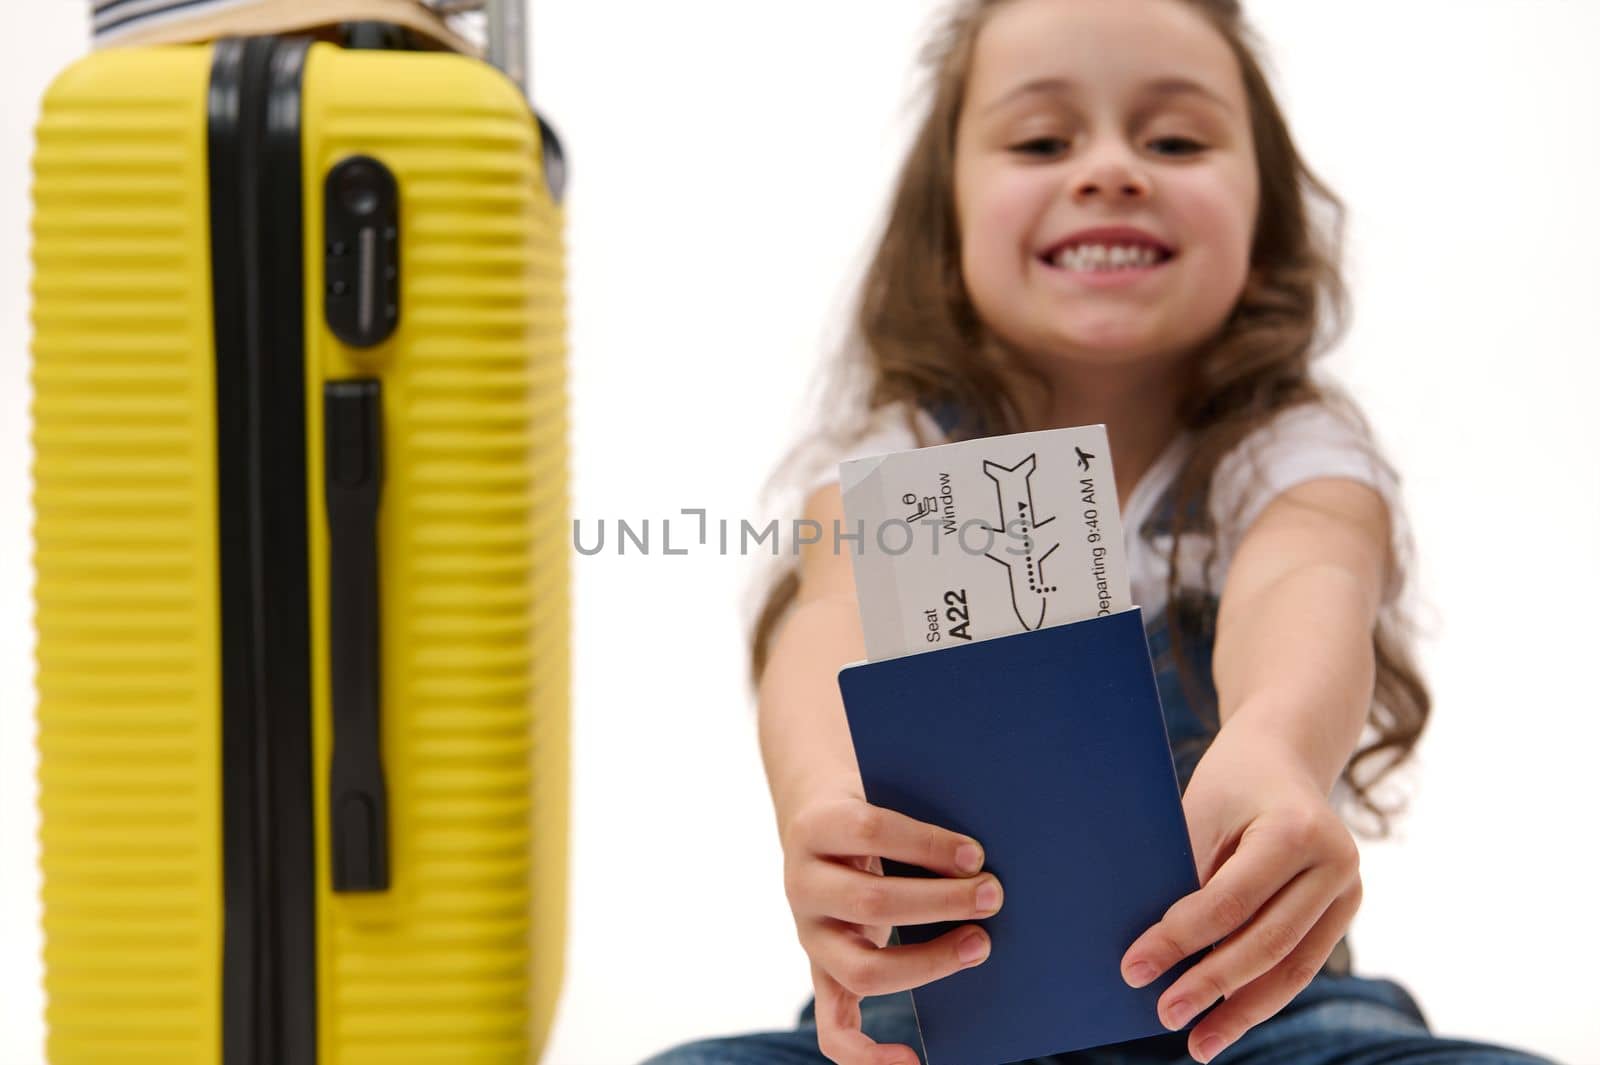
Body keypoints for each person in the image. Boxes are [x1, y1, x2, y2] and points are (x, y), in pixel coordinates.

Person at [645, 1, 1558, 1064]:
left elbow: (1308, 580)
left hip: (1257, 1023)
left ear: (1261, 228)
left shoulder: (1289, 453)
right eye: (1042, 142)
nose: (1111, 170)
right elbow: (829, 622)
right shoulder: (895, 462)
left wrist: (1271, 747)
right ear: (947, 226)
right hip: (926, 1031)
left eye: (1174, 140)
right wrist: (822, 804)